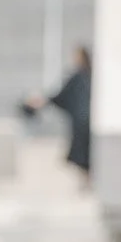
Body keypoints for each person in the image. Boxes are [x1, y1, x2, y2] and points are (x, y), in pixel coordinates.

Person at [24, 45, 92, 175]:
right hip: (82, 120)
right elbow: (62, 96)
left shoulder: (83, 76)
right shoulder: (80, 76)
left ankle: (87, 178)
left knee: (84, 152)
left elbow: (61, 96)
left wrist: (44, 101)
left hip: (83, 121)